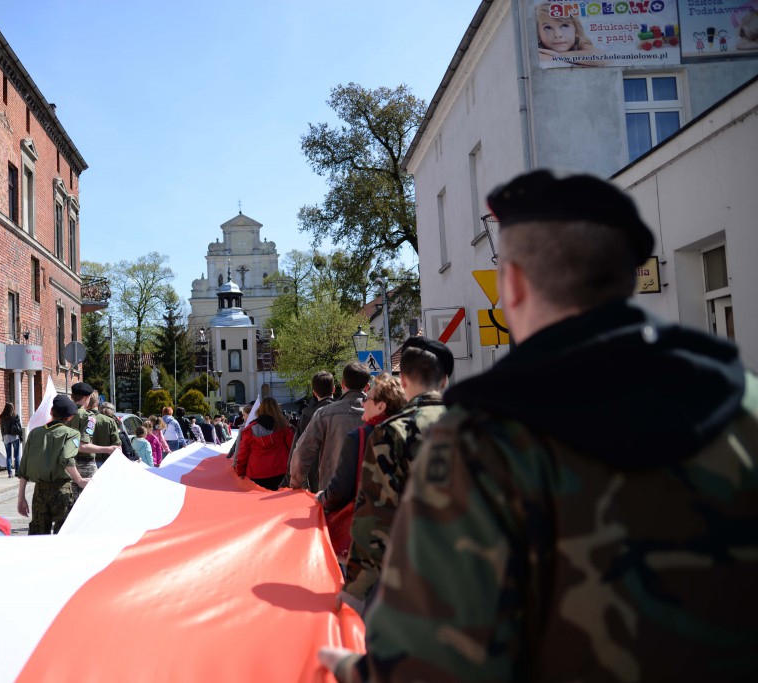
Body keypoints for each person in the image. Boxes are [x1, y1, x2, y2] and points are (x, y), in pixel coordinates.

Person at [320, 170, 758, 681]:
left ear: (516, 284)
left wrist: (353, 669)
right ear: (624, 278)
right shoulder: (743, 403)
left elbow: (431, 665)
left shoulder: (476, 445)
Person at [341, 338, 452, 612]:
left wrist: (355, 591)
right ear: (445, 381)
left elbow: (374, 516)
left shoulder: (393, 432)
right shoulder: (481, 426)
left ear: (402, 381)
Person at [316, 374, 407, 566]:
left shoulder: (359, 437)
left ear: (381, 406)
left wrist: (321, 497)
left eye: (368, 398)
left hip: (367, 537)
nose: (363, 403)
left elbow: (340, 491)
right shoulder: (410, 435)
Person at [288, 362, 371, 492]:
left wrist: (299, 484)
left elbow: (302, 452)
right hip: (370, 493)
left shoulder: (324, 414)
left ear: (342, 384)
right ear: (367, 387)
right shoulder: (381, 413)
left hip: (332, 491)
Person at [17, 395, 89, 535]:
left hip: (40, 492)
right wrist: (79, 480)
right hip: (62, 491)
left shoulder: (34, 433)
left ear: (51, 411)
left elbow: (23, 467)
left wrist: (21, 498)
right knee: (63, 536)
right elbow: (66, 457)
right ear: (69, 417)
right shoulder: (71, 434)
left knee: (38, 537)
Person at [285, 371, 336, 490]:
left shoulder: (307, 415)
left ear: (314, 392)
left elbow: (297, 448)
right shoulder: (343, 412)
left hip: (314, 470)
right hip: (338, 468)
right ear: (334, 389)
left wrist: (291, 478)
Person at [234, 397, 294, 490]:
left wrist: (240, 471)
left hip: (256, 472)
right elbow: (293, 448)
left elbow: (243, 452)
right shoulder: (284, 427)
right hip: (280, 470)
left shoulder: (250, 429)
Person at [535, 3, 605, 64]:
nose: (558, 35)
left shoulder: (579, 43)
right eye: (548, 28)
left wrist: (559, 56)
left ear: (576, 30)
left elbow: (604, 57)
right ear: (538, 34)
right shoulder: (536, 52)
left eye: (564, 26)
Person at [68, 383, 120, 464]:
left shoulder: (64, 414)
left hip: (67, 463)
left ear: (71, 397)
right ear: (87, 397)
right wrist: (108, 449)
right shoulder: (88, 416)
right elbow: (83, 446)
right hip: (85, 464)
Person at [86, 391, 121, 467]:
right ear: (97, 402)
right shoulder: (109, 421)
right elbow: (117, 445)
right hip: (106, 462)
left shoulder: (81, 418)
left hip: (84, 462)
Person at [0, 402, 23, 478]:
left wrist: (3, 436)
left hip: (6, 437)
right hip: (15, 437)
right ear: (12, 408)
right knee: (16, 455)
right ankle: (17, 472)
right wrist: (21, 437)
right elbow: (19, 427)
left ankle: (9, 473)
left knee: (8, 456)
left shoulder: (2, 417)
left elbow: (2, 429)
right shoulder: (15, 416)